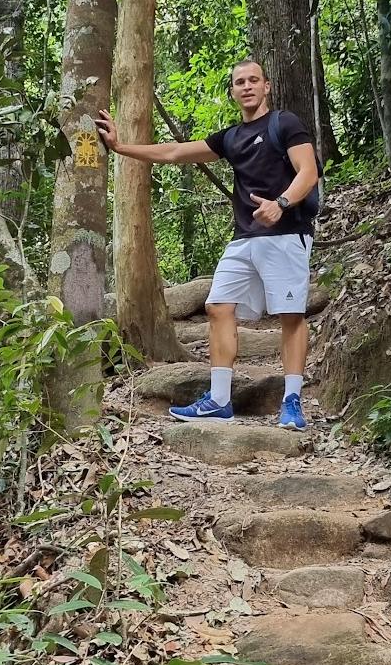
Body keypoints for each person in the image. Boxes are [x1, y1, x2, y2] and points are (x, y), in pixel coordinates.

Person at [96, 59, 319, 429]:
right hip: (245, 237)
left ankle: (292, 401)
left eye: (253, 80)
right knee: (216, 306)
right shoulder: (230, 138)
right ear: (233, 92)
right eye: (239, 82)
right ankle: (219, 399)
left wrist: (281, 204)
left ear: (267, 86)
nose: (246, 87)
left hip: (284, 233)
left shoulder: (285, 123)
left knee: (290, 316)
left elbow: (308, 171)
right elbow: (175, 152)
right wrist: (121, 147)